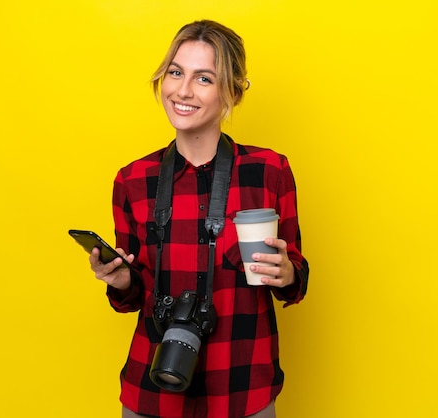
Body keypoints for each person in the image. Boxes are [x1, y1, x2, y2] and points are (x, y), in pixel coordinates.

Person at [88, 20, 309, 418]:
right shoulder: (133, 180)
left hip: (242, 388)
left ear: (233, 93)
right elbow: (134, 297)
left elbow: (294, 282)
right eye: (175, 72)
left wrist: (287, 274)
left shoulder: (270, 171)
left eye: (203, 78)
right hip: (152, 390)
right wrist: (121, 281)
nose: (183, 90)